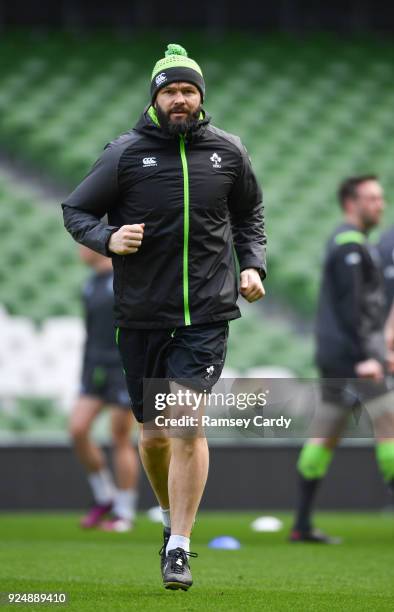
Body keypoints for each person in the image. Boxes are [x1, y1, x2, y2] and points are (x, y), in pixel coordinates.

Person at [62, 43, 266, 589]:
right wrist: (107, 237)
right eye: (170, 90)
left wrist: (253, 266)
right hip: (142, 315)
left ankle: (179, 545)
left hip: (206, 312)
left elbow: (249, 216)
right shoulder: (124, 153)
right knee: (152, 438)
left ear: (201, 97)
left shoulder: (229, 152)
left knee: (186, 419)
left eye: (188, 90)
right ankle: (167, 519)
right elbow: (76, 209)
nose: (180, 99)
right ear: (155, 97)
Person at [290, 175, 394, 543]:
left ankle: (301, 524)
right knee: (389, 423)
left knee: (325, 433)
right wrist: (369, 356)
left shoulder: (351, 242)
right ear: (351, 203)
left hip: (337, 357)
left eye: (381, 199)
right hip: (352, 358)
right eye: (372, 199)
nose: (379, 205)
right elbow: (355, 310)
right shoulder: (350, 245)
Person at [70, 245, 139, 532]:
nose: (78, 250)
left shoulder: (123, 278)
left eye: (82, 244)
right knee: (78, 428)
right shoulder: (91, 284)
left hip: (123, 368)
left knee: (120, 437)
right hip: (95, 369)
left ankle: (124, 512)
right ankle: (105, 496)